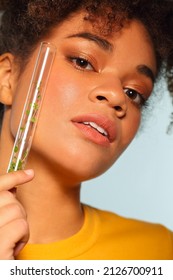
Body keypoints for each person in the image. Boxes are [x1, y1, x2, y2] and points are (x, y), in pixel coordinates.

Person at [0, 0, 173, 260]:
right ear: (8, 78)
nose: (117, 96)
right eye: (82, 62)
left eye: (133, 92)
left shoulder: (159, 253)